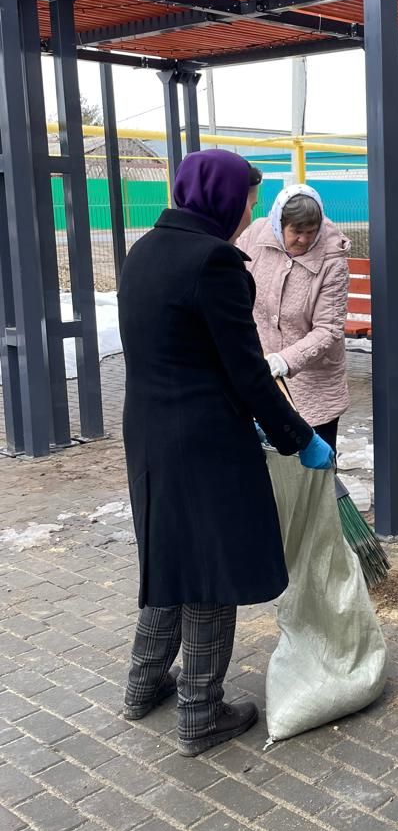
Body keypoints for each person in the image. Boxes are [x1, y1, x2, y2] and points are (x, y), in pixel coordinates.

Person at [118, 149, 335, 756]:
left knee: (171, 561)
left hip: (152, 435)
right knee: (211, 573)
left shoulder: (145, 252)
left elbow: (185, 352)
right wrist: (299, 437)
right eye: (244, 199)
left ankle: (142, 686)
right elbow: (247, 374)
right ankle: (199, 714)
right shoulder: (214, 263)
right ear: (219, 198)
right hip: (205, 443)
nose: (247, 213)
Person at [237, 183, 350, 452]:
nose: (304, 239)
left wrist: (285, 360)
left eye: (311, 232)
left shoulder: (332, 261)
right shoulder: (255, 238)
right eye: (296, 232)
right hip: (262, 378)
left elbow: (329, 329)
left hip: (314, 385)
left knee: (314, 471)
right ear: (279, 224)